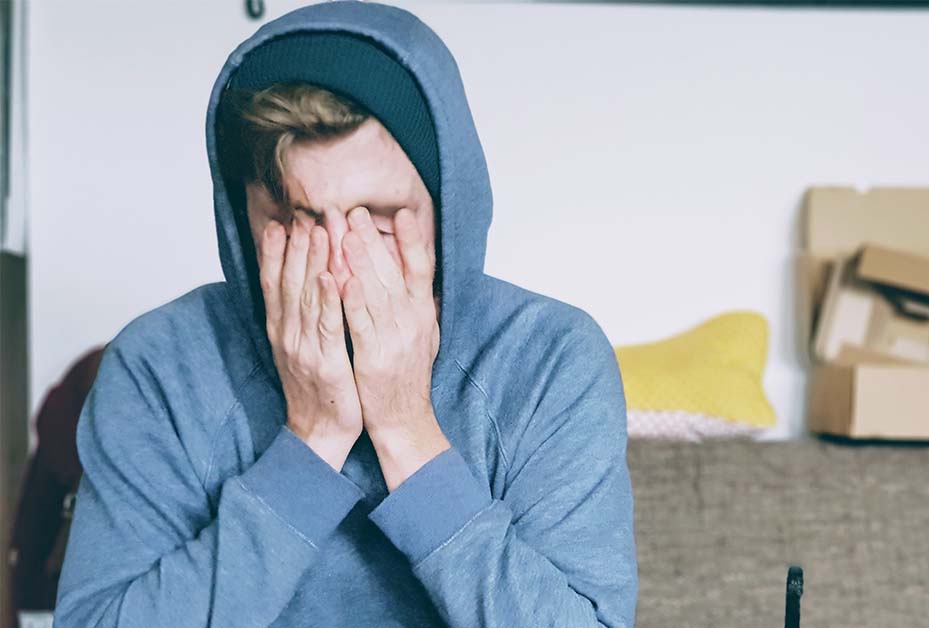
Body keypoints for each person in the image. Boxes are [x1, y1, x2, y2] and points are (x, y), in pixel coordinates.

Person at [53, 3, 638, 627]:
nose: (337, 266)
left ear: (447, 206)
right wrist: (312, 442)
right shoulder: (160, 364)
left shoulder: (552, 358)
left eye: (379, 220)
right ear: (241, 219)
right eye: (295, 222)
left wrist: (407, 432)